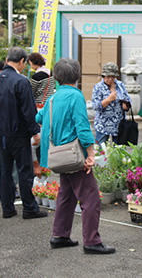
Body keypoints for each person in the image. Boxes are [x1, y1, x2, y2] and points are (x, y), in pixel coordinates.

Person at [36, 58, 115, 254]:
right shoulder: (76, 96)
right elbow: (82, 127)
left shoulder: (52, 98)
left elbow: (38, 118)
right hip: (73, 155)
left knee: (66, 195)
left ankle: (60, 235)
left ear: (56, 78)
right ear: (77, 76)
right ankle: (92, 241)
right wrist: (90, 153)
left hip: (58, 155)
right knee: (90, 199)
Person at [0, 47, 46, 220]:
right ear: (21, 62)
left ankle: (7, 208)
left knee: (5, 171)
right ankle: (29, 208)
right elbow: (28, 110)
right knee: (24, 171)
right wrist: (35, 131)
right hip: (19, 133)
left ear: (6, 59)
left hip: (1, 133)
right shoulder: (21, 81)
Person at [92, 62, 131, 145]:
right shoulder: (98, 87)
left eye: (112, 77)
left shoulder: (120, 85)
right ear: (103, 76)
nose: (110, 79)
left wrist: (125, 104)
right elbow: (96, 106)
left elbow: (128, 100)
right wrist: (109, 99)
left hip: (118, 125)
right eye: (108, 76)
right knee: (101, 151)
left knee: (118, 152)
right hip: (103, 125)